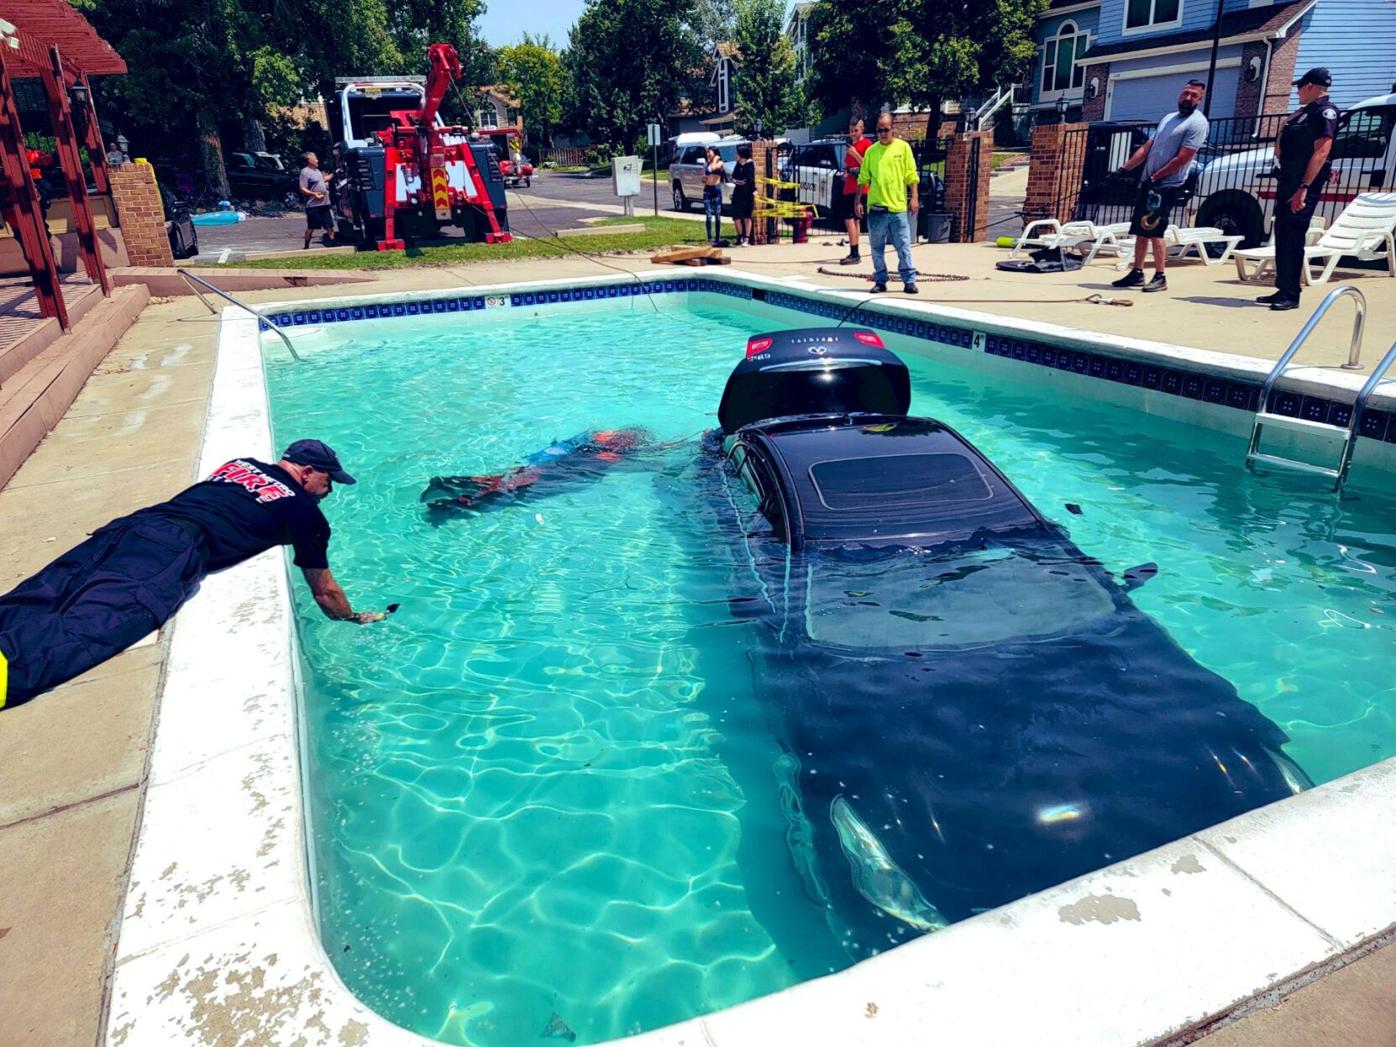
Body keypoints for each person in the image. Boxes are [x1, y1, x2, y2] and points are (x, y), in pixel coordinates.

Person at [0, 441, 387, 711]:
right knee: (89, 625)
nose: (330, 490)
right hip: (172, 550)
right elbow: (324, 591)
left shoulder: (242, 464)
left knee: (45, 590)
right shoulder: (306, 513)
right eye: (329, 480)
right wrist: (352, 618)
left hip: (135, 524)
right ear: (306, 472)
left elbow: (243, 503)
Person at [1111, 79, 1209, 294]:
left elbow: (1183, 158)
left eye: (1193, 95)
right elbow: (1148, 147)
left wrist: (1156, 177)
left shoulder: (1198, 123)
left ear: (1200, 100)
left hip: (1166, 186)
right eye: (1185, 93)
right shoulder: (1168, 118)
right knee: (1140, 230)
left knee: (1155, 231)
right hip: (1150, 183)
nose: (1188, 98)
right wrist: (1124, 169)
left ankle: (1160, 276)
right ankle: (1137, 273)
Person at [1262, 68, 1340, 311]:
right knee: (1283, 234)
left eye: (1299, 87)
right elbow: (1283, 140)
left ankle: (1291, 293)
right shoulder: (1304, 114)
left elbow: (1322, 151)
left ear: (1310, 86)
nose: (1297, 92)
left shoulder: (1324, 113)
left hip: (1302, 185)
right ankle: (1283, 287)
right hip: (1288, 181)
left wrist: (1304, 187)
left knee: (1294, 236)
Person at [856, 112, 920, 294]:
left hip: (898, 208)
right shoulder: (871, 152)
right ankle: (880, 280)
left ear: (893, 129)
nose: (882, 133)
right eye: (879, 130)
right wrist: (858, 201)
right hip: (877, 208)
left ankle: (909, 280)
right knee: (876, 248)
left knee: (903, 246)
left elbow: (911, 175)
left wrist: (914, 197)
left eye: (885, 129)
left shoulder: (903, 148)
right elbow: (863, 178)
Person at [838, 117, 873, 265]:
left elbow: (868, 165)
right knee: (855, 221)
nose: (853, 133)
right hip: (849, 186)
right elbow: (848, 166)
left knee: (849, 219)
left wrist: (855, 154)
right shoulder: (852, 145)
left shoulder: (867, 144)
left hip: (859, 188)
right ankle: (855, 250)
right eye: (851, 130)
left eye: (856, 130)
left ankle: (854, 252)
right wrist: (846, 172)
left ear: (862, 129)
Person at [300, 151, 336, 249]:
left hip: (324, 203)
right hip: (313, 205)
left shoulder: (317, 171)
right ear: (309, 160)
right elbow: (302, 188)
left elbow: (324, 180)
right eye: (315, 158)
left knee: (329, 225)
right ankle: (306, 245)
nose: (317, 160)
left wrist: (334, 173)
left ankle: (333, 244)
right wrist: (314, 194)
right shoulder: (305, 172)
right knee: (311, 227)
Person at [730, 143, 756, 246]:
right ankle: (740, 236)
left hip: (747, 193)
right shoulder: (738, 165)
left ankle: (746, 238)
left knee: (746, 216)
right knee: (736, 216)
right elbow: (734, 177)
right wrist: (738, 180)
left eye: (737, 153)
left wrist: (739, 181)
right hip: (737, 192)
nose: (736, 155)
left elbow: (748, 180)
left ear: (742, 154)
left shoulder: (750, 164)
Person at [702, 145, 726, 245]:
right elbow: (705, 174)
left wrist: (715, 160)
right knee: (708, 215)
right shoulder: (706, 164)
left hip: (716, 189)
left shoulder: (720, 163)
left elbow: (710, 170)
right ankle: (709, 237)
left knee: (717, 214)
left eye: (710, 152)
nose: (708, 154)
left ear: (715, 153)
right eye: (707, 152)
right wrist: (703, 179)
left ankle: (717, 237)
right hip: (707, 189)